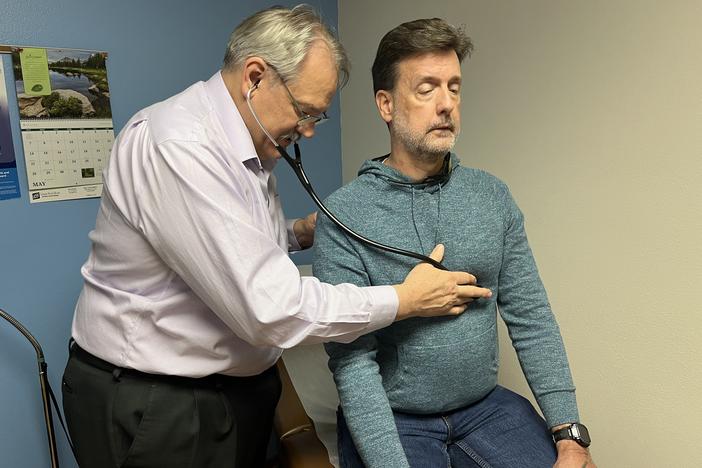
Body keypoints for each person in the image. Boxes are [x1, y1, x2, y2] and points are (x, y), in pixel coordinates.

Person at [60, 6, 491, 468]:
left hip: (240, 392)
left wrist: (296, 234)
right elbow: (271, 308)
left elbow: (221, 246)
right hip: (159, 400)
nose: (307, 130)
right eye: (305, 112)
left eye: (318, 117)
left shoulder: (249, 141)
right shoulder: (180, 148)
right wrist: (402, 300)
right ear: (255, 77)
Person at [314, 18, 597, 468]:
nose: (446, 104)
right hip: (394, 418)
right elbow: (353, 363)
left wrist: (569, 432)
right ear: (386, 104)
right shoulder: (344, 215)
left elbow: (531, 317)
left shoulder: (492, 196)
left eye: (454, 87)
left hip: (488, 410)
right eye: (427, 89)